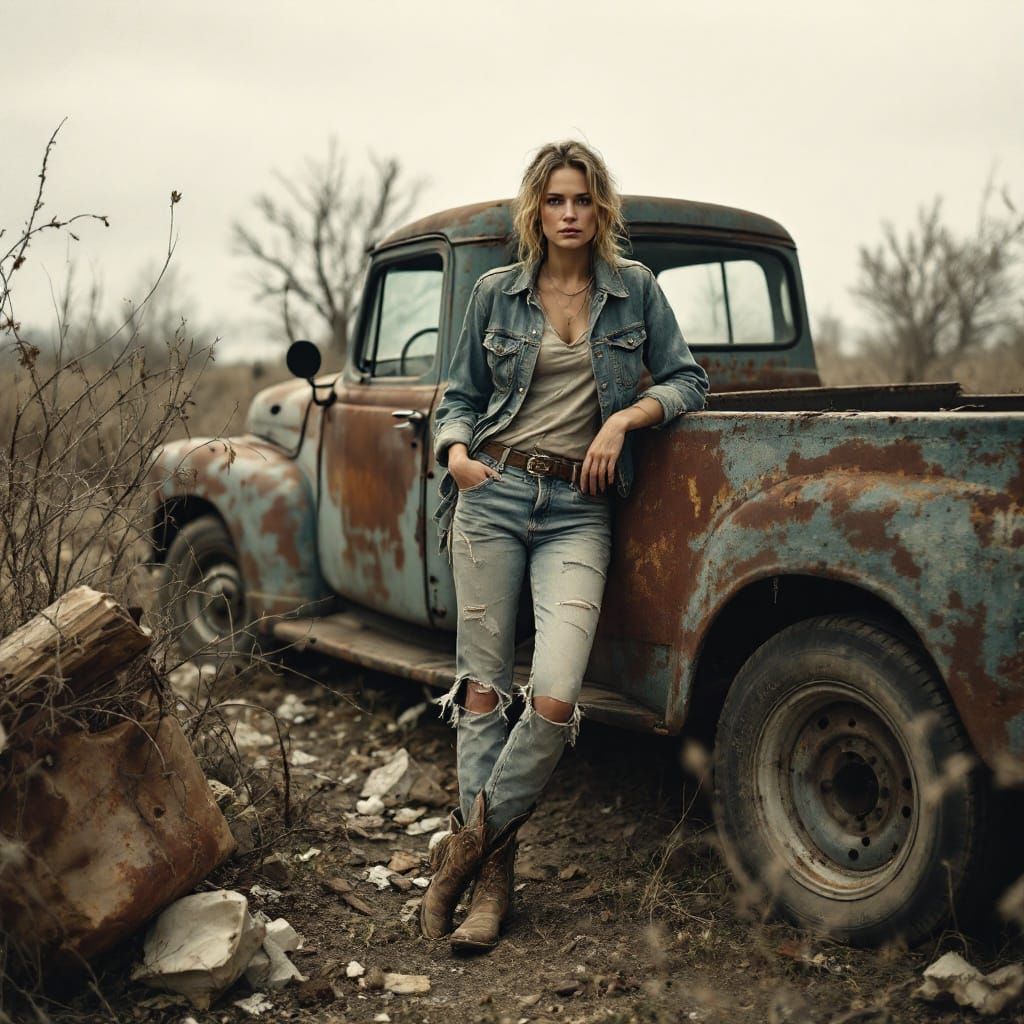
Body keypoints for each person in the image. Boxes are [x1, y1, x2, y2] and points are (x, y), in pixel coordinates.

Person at [422, 141, 709, 951]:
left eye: (582, 199)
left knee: (552, 695)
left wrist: (623, 418)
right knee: (482, 693)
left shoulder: (636, 292)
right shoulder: (494, 293)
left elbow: (688, 380)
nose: (570, 213)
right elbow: (460, 393)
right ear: (535, 210)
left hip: (579, 511)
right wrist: (455, 458)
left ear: (602, 207)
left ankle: (461, 856)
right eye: (555, 201)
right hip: (494, 493)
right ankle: (494, 890)